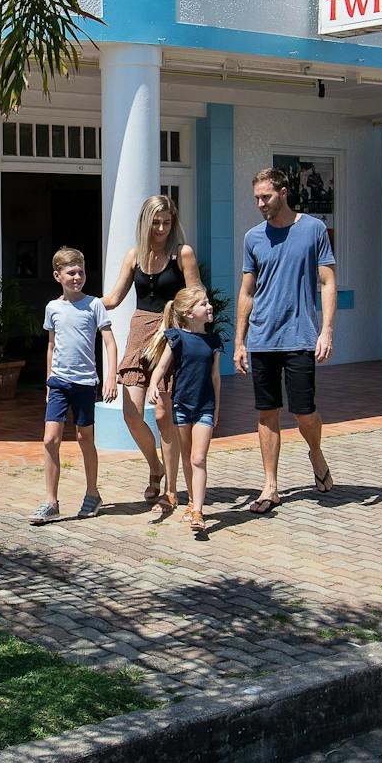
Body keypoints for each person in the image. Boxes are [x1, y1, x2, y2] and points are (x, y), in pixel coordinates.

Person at [233, 166, 338, 514]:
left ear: (283, 192)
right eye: (257, 199)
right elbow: (247, 291)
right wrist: (240, 341)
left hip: (300, 336)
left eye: (266, 197)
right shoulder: (253, 238)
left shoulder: (313, 229)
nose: (261, 204)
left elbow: (327, 282)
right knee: (267, 413)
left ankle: (316, 452)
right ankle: (270, 486)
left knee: (304, 411)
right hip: (262, 338)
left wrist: (326, 330)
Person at [102, 195, 203, 510]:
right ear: (145, 222)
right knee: (131, 414)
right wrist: (79, 302)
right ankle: (155, 467)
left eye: (167, 222)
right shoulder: (133, 256)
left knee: (162, 414)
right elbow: (115, 297)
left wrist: (190, 330)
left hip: (170, 336)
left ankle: (170, 490)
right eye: (156, 222)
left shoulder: (181, 254)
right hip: (138, 334)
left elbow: (196, 292)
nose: (161, 229)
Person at [31, 246, 118, 526]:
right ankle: (51, 501)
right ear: (58, 276)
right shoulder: (53, 308)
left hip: (84, 383)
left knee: (85, 439)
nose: (77, 277)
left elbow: (109, 342)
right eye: (71, 272)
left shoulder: (94, 305)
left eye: (80, 271)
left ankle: (92, 493)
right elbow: (51, 346)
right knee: (49, 440)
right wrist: (48, 382)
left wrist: (111, 377)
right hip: (58, 382)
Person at [144, 286, 222, 537]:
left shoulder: (214, 341)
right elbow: (161, 367)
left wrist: (217, 409)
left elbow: (216, 378)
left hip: (205, 408)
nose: (209, 306)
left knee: (198, 458)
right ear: (189, 313)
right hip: (181, 406)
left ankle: (198, 511)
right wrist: (153, 385)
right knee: (188, 457)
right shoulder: (176, 338)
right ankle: (190, 502)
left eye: (208, 302)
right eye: (203, 304)